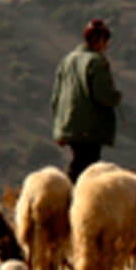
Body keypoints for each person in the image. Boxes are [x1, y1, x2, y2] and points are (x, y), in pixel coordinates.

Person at [51, 18, 121, 182]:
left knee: (78, 162)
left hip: (68, 124)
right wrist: (115, 97)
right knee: (87, 167)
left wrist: (59, 127)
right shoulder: (96, 62)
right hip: (89, 126)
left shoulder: (67, 60)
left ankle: (69, 196)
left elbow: (56, 96)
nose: (106, 46)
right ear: (100, 41)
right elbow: (103, 96)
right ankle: (76, 201)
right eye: (105, 41)